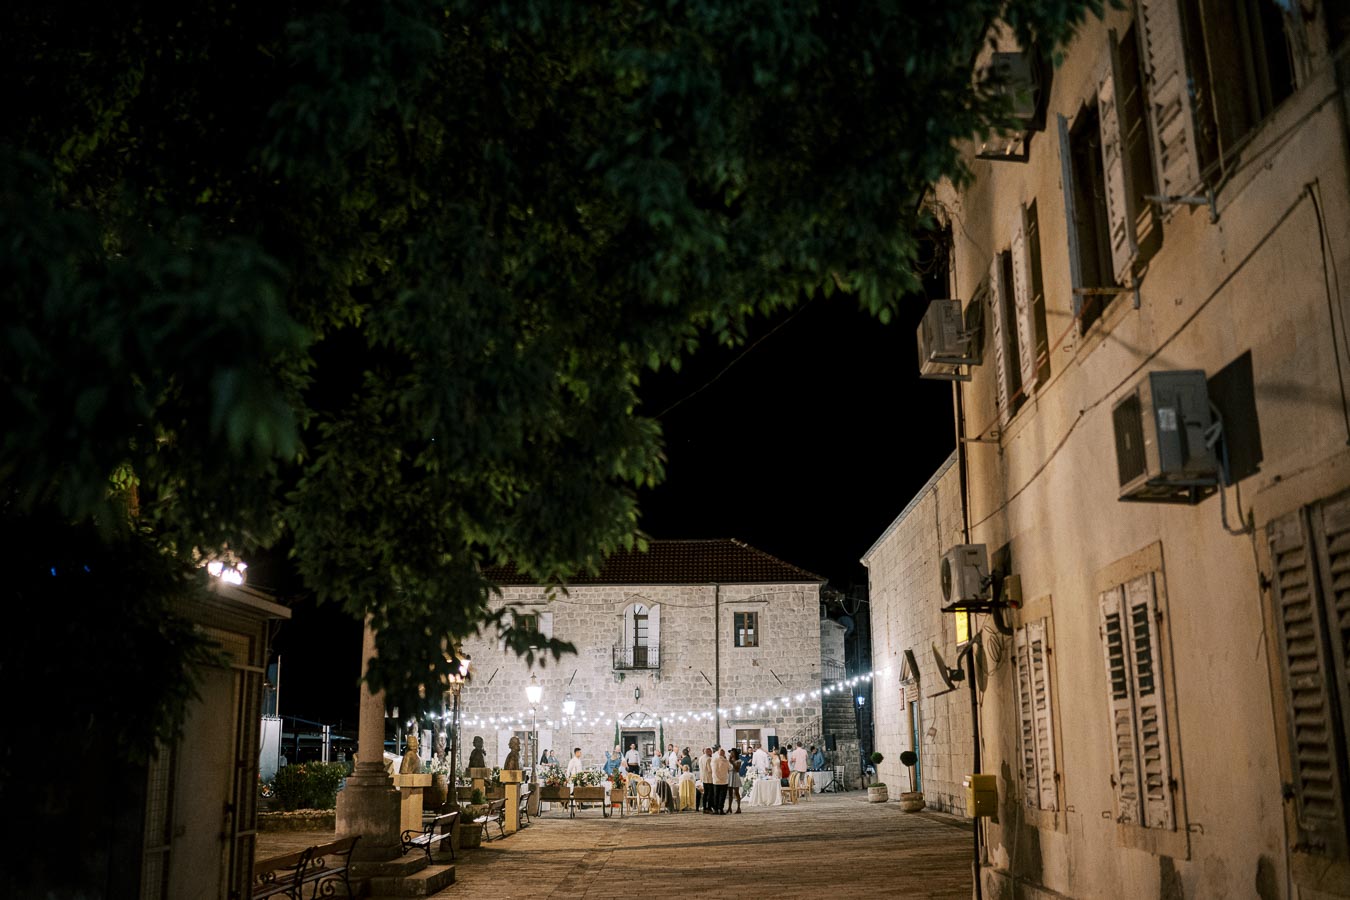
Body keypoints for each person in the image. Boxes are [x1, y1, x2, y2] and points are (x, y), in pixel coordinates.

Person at [710, 748, 731, 814]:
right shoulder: (726, 761)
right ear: (724, 754)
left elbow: (713, 769)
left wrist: (717, 776)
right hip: (724, 780)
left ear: (718, 753)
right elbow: (730, 768)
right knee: (722, 796)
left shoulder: (714, 760)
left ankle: (716, 809)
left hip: (716, 780)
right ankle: (721, 809)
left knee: (716, 795)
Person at [726, 748, 743, 813]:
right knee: (730, 793)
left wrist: (732, 762)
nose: (731, 754)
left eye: (732, 753)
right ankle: (729, 807)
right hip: (730, 775)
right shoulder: (728, 760)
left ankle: (738, 807)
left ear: (735, 753)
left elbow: (737, 769)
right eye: (730, 753)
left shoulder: (738, 760)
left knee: (736, 792)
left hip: (735, 775)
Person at [698, 748, 714, 812]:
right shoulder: (709, 759)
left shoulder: (701, 758)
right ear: (709, 752)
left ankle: (704, 807)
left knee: (705, 793)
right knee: (710, 793)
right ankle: (709, 807)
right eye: (711, 751)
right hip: (709, 778)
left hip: (703, 777)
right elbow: (710, 769)